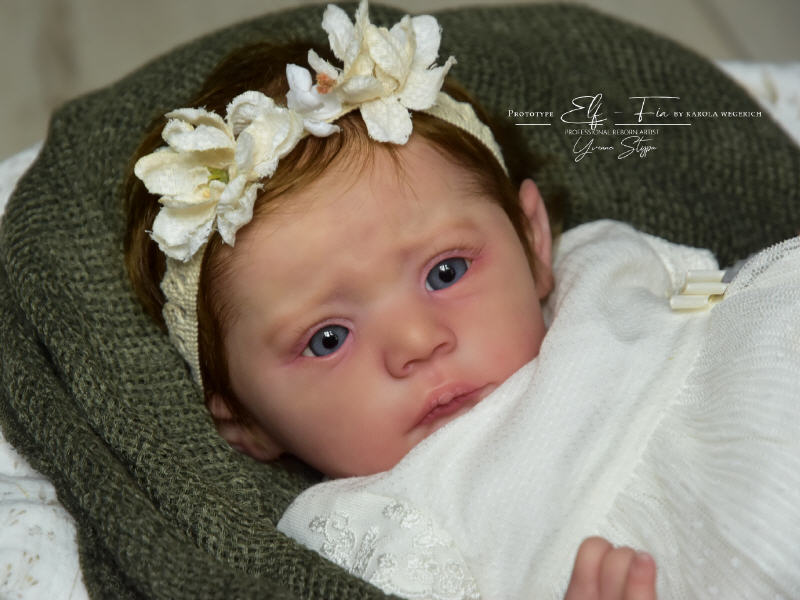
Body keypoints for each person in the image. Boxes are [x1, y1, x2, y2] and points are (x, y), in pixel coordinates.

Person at [125, 2, 800, 599]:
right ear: (245, 421)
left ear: (533, 241)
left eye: (446, 272)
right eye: (328, 339)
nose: (417, 343)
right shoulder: (368, 527)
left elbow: (726, 299)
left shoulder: (597, 270)